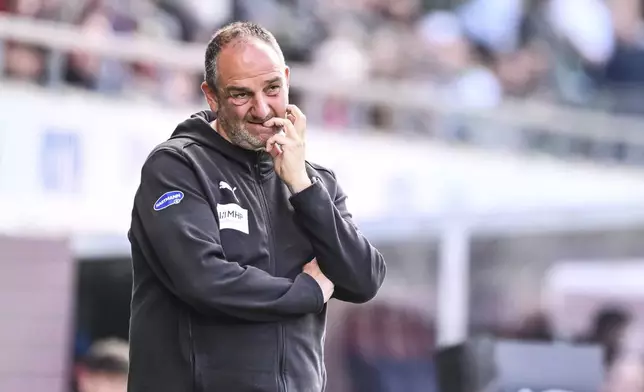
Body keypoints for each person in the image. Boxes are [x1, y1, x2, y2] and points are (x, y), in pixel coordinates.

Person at [127, 21, 387, 392]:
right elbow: (204, 281)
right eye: (240, 94)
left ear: (286, 78)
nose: (262, 109)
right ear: (211, 96)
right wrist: (308, 292)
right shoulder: (177, 167)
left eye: (272, 88)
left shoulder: (315, 182)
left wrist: (302, 185)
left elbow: (363, 279)